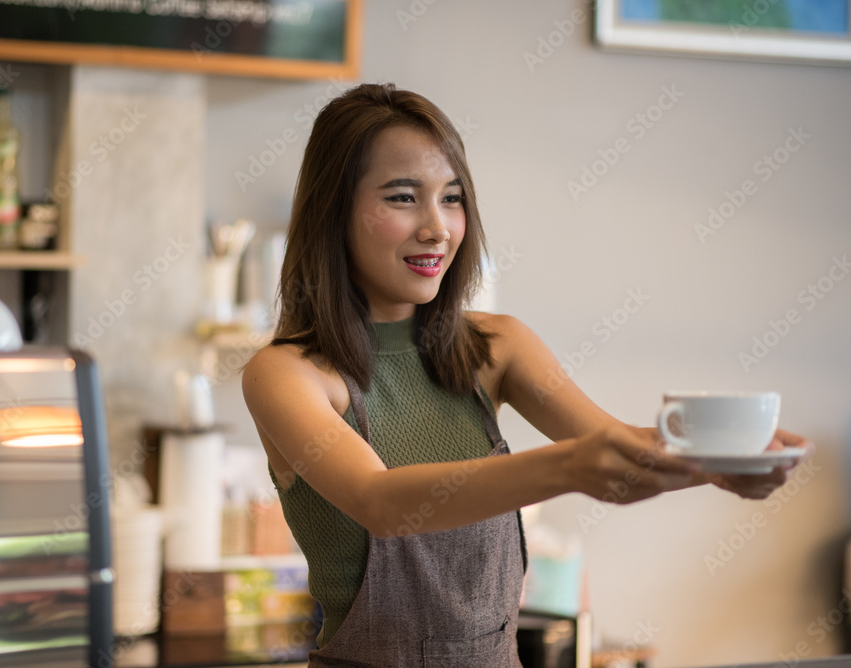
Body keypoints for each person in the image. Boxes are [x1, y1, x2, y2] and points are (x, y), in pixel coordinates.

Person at [241, 83, 811, 667]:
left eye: (452, 198)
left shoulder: (496, 347)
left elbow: (618, 454)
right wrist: (568, 467)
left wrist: (727, 461)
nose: (438, 228)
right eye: (404, 197)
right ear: (334, 211)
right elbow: (381, 502)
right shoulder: (285, 375)